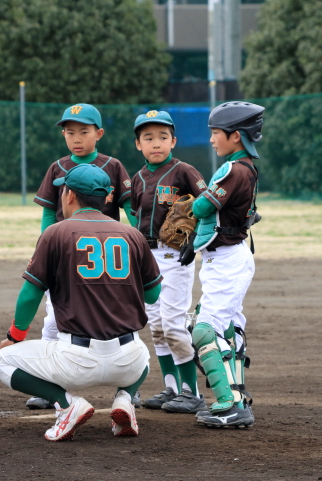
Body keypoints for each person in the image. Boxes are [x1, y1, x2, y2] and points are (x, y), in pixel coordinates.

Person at [0, 164, 163, 441]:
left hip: (75, 363)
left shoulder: (56, 233)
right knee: (143, 352)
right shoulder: (133, 235)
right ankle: (125, 400)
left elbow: (29, 295)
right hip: (128, 361)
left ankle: (67, 404)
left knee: (4, 361)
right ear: (107, 197)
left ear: (69, 195)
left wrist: (15, 336)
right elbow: (153, 295)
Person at [28, 103, 136, 410]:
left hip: (104, 253)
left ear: (98, 134)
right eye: (69, 131)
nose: (76, 137)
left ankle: (128, 386)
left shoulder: (113, 166)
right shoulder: (57, 168)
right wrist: (44, 247)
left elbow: (129, 208)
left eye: (84, 131)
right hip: (66, 254)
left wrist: (138, 239)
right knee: (52, 320)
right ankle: (49, 383)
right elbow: (50, 212)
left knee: (117, 316)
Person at [178, 101, 264, 428]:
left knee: (204, 330)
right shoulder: (246, 167)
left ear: (237, 136)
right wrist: (193, 243)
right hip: (226, 257)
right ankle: (236, 397)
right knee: (228, 330)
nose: (212, 140)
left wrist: (190, 205)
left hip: (228, 261)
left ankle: (229, 404)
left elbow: (202, 207)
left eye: (216, 133)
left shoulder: (234, 169)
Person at [129, 110, 207, 413]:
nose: (156, 143)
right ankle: (172, 389)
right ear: (138, 144)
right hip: (147, 257)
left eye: (162, 137)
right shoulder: (138, 178)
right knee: (157, 326)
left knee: (174, 325)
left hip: (175, 255)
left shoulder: (184, 171)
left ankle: (192, 392)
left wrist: (196, 241)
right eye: (148, 138)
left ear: (173, 141)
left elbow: (208, 204)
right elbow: (136, 215)